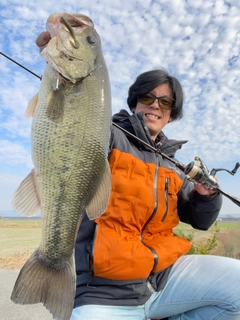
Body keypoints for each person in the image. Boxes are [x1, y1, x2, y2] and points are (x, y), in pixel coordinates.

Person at [36, 32, 240, 320]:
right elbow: (72, 120)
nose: (156, 105)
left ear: (172, 113)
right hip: (102, 290)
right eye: (148, 97)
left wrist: (206, 196)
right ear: (135, 103)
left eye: (165, 102)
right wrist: (59, 65)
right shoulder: (108, 134)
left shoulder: (172, 165)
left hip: (163, 279)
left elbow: (201, 220)